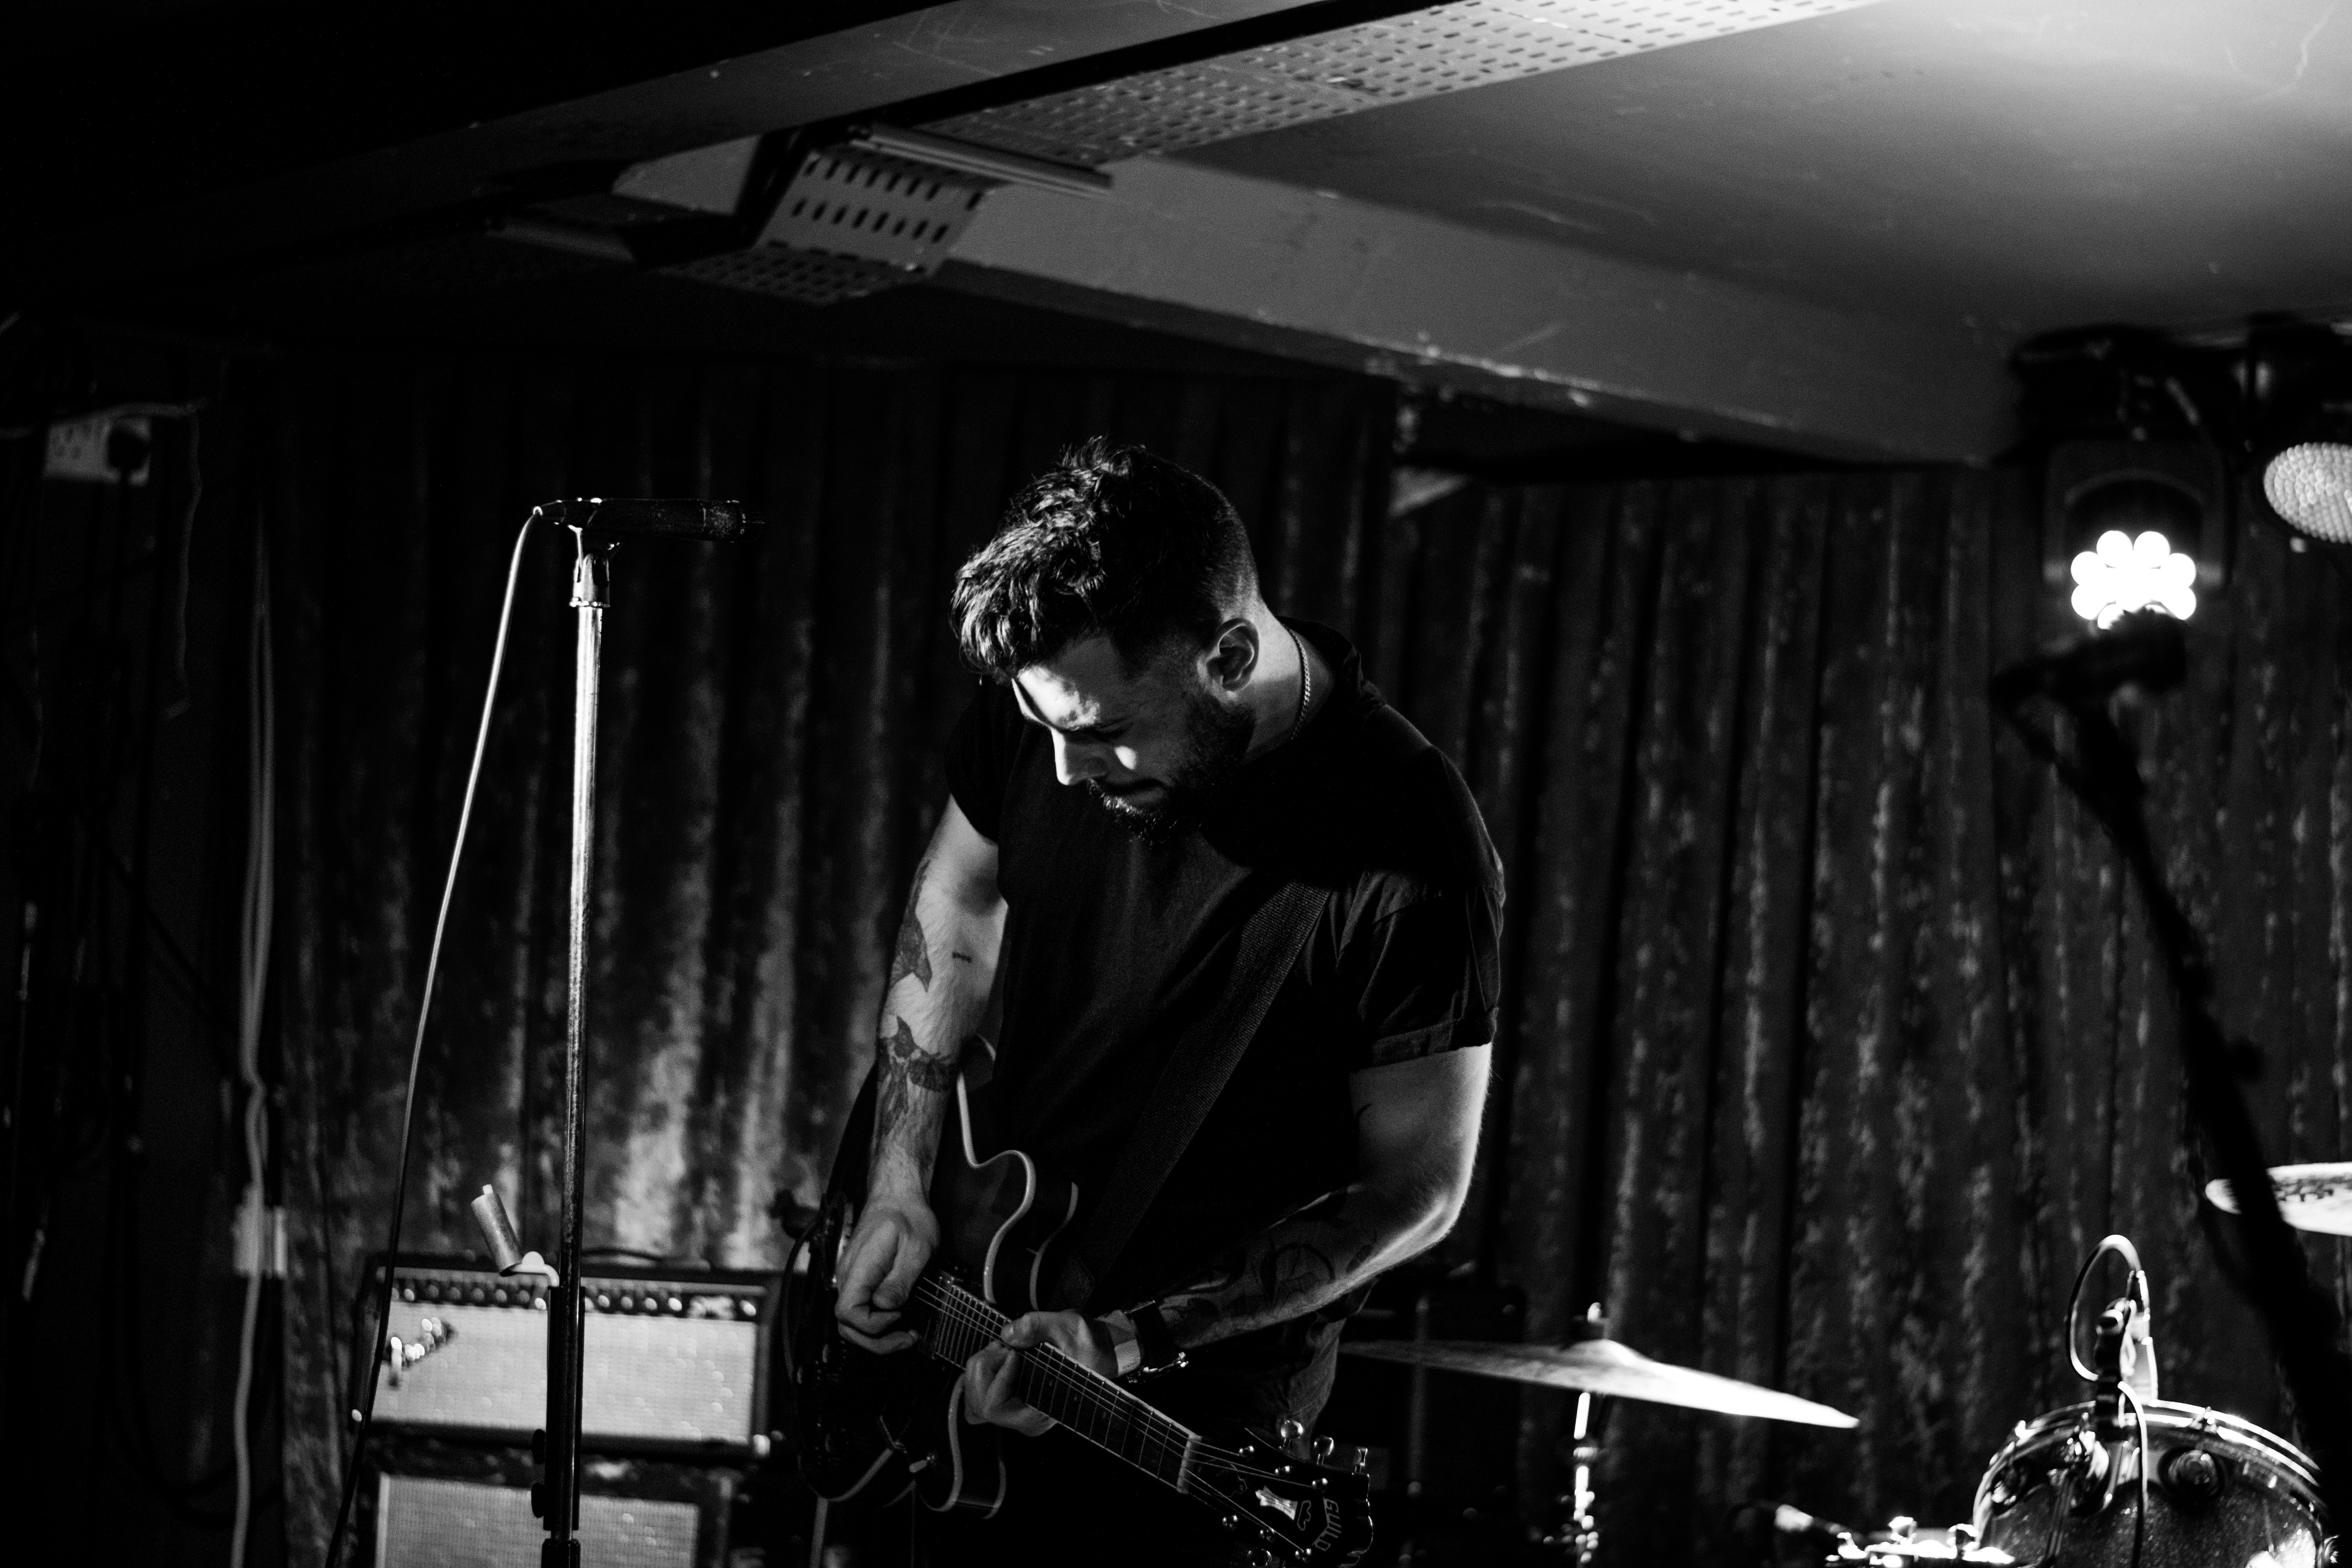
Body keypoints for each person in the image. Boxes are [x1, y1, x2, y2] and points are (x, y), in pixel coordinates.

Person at [831, 439, 1502, 1565]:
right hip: (973, 1294)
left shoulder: (1409, 848)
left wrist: (1133, 1338)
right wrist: (899, 1175)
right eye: (1043, 725)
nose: (1063, 770)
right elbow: (957, 898)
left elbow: (1419, 1190)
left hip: (1190, 1423)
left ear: (1228, 655)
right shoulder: (1056, 701)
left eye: (1101, 734)